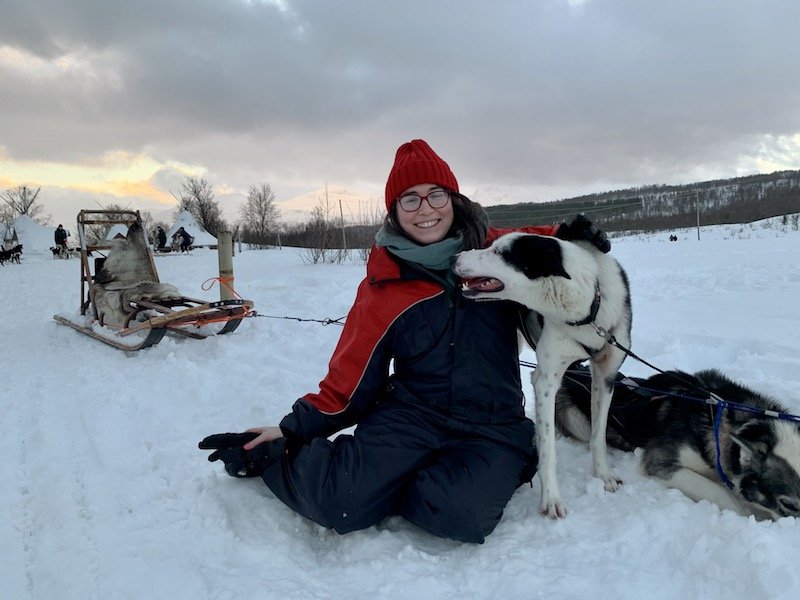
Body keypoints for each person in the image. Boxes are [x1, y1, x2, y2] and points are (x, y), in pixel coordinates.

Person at [199, 139, 610, 543]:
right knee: (340, 501)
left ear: (454, 199)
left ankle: (416, 479)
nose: (426, 209)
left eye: (436, 195)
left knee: (462, 515)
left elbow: (535, 243)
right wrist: (289, 430)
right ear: (395, 212)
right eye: (410, 200)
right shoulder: (385, 285)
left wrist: (566, 234)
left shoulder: (495, 254)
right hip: (412, 414)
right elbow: (351, 380)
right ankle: (283, 462)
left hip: (491, 421)